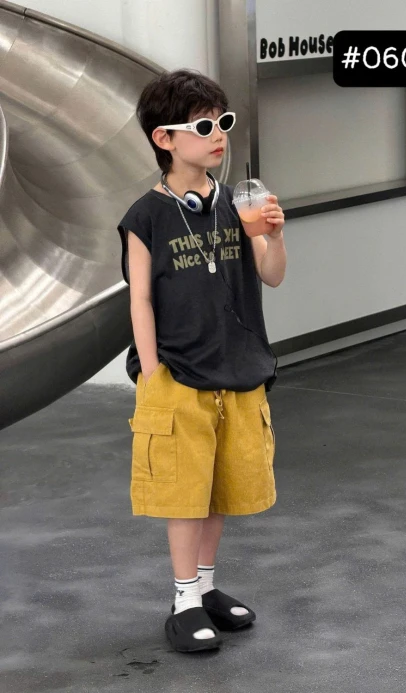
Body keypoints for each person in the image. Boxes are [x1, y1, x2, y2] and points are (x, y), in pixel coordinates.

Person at [116, 69, 287, 653]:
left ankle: (206, 588)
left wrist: (275, 236)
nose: (219, 137)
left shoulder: (237, 203)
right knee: (185, 494)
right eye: (204, 127)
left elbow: (271, 275)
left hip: (238, 371)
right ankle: (184, 599)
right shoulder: (146, 216)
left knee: (221, 489)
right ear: (164, 139)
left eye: (223, 123)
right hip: (179, 376)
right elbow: (139, 298)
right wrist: (152, 373)